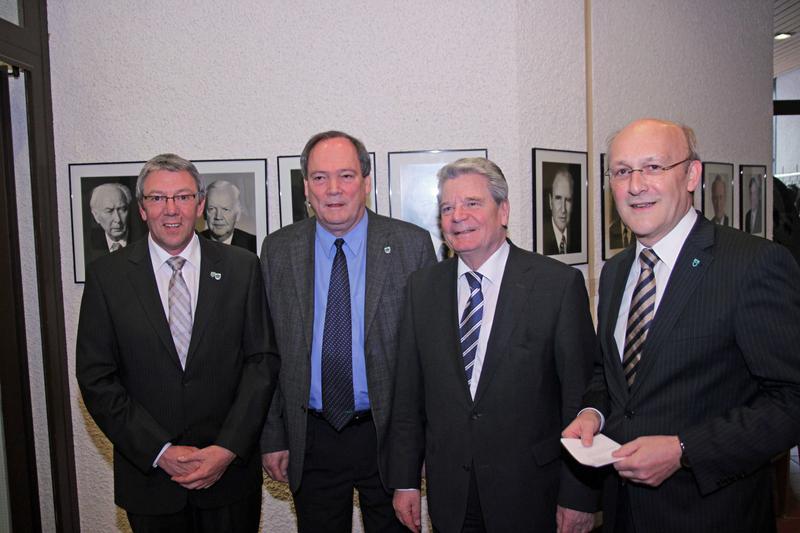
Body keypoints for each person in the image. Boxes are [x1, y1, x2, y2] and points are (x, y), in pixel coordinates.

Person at [563, 119, 800, 532]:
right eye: (622, 171)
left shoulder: (752, 264)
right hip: (624, 513)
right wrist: (592, 413)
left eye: (653, 167)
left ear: (692, 175)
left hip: (712, 515)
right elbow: (611, 373)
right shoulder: (616, 272)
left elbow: (791, 401)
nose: (636, 185)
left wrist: (685, 450)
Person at [389, 157, 597, 532]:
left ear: (503, 211)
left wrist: (578, 496)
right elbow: (408, 396)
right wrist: (405, 481)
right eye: (447, 208)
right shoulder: (422, 288)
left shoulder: (556, 285)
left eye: (472, 203)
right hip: (452, 495)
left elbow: (579, 398)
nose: (457, 216)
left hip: (531, 493)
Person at [76, 153, 280, 532]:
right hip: (150, 481)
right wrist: (160, 451)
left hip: (229, 479)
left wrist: (227, 448)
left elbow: (262, 363)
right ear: (142, 209)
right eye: (157, 198)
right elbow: (96, 378)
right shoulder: (107, 277)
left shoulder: (242, 268)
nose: (171, 209)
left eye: (183, 197)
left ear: (200, 205)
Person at [259, 131, 435, 532]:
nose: (333, 189)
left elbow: (430, 358)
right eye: (320, 178)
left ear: (366, 183)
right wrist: (273, 436)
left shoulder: (411, 246)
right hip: (312, 435)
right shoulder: (278, 250)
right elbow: (266, 354)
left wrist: (423, 443)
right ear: (306, 187)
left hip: (387, 434)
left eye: (346, 176)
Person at [200, 179, 257, 252]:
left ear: (238, 214)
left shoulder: (253, 245)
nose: (218, 217)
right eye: (212, 209)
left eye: (225, 209)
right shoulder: (194, 243)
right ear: (204, 213)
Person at [86, 182, 134, 263]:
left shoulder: (144, 242)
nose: (117, 219)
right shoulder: (87, 251)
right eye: (109, 211)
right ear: (96, 216)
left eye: (122, 209)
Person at [543, 166, 579, 254]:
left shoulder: (578, 238)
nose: (563, 209)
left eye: (568, 200)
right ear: (550, 201)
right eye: (558, 198)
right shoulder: (543, 238)